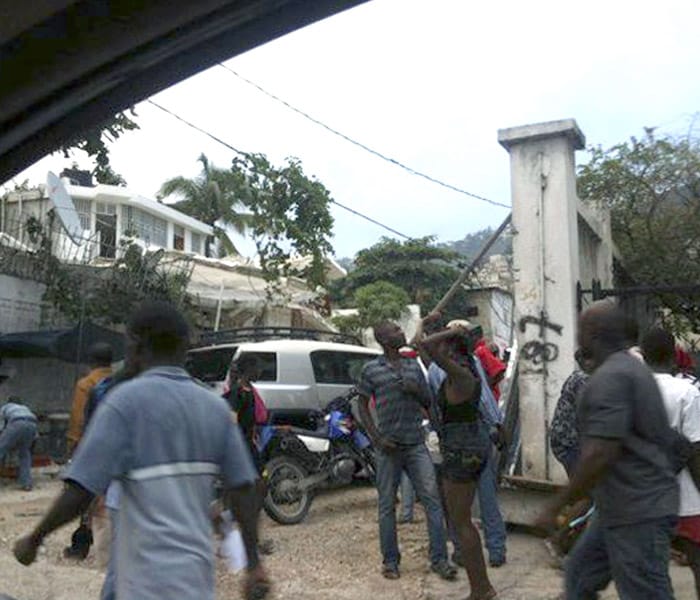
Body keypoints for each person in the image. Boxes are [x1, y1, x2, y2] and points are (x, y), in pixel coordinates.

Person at [13, 301, 270, 600]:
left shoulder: (124, 403)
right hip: (195, 581)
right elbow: (243, 489)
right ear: (184, 347)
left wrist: (34, 539)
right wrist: (253, 565)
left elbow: (79, 489)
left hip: (141, 582)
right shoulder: (213, 406)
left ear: (135, 344)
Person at [537, 302, 679, 600]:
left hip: (637, 512)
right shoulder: (632, 371)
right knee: (578, 578)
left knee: (644, 591)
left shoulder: (611, 378)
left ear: (593, 334)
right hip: (619, 507)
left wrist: (556, 505)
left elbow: (600, 453)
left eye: (581, 329)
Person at [357, 320, 456, 582]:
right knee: (387, 506)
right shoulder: (371, 370)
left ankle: (439, 560)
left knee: (433, 501)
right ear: (383, 339)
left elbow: (428, 400)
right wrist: (376, 438)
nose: (402, 332)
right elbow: (362, 406)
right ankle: (390, 561)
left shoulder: (413, 365)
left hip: (415, 444)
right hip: (388, 447)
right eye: (396, 330)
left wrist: (416, 391)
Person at [419, 323, 497, 599]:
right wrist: (438, 325)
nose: (439, 351)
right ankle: (482, 586)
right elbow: (422, 344)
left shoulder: (461, 375)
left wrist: (449, 333)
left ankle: (482, 589)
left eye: (445, 347)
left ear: (452, 349)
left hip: (462, 451)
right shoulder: (465, 372)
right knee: (461, 520)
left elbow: (426, 345)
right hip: (467, 447)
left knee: (462, 522)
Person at [643, 327, 700, 598]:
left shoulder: (633, 390)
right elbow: (695, 450)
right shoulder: (687, 393)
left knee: (655, 568)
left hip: (647, 496)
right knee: (697, 561)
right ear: (674, 357)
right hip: (687, 496)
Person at [64, 342, 113, 560]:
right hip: (117, 450)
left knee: (85, 495)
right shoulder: (120, 382)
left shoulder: (86, 384)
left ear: (90, 361)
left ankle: (81, 544)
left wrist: (73, 445)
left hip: (92, 447)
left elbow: (78, 419)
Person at [224, 355, 274, 555]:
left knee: (257, 488)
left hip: (249, 448)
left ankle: (245, 539)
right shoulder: (237, 394)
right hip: (242, 450)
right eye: (257, 368)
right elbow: (232, 424)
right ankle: (249, 541)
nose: (260, 372)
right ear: (249, 369)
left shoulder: (248, 392)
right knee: (252, 491)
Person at [550, 349, 595, 478]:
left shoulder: (577, 377)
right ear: (586, 362)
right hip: (570, 443)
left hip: (566, 442)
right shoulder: (582, 379)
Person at [0, 397, 37, 491]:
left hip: (16, 422)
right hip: (32, 424)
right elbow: (36, 437)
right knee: (25, 454)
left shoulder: (5, 407)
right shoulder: (26, 408)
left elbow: (1, 427)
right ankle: (27, 484)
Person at [472, 326, 506, 402]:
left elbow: (500, 370)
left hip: (489, 398)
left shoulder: (481, 351)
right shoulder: (477, 351)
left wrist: (487, 386)